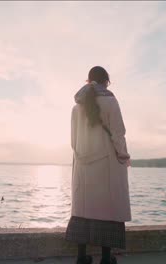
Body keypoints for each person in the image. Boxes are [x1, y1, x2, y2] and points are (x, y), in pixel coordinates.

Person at [65, 66, 131, 264]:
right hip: (107, 163)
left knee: (83, 211)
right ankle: (105, 258)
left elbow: (73, 142)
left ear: (88, 81)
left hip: (83, 166)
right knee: (106, 210)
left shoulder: (77, 108)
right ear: (106, 81)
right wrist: (123, 155)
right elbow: (118, 134)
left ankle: (81, 257)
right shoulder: (111, 102)